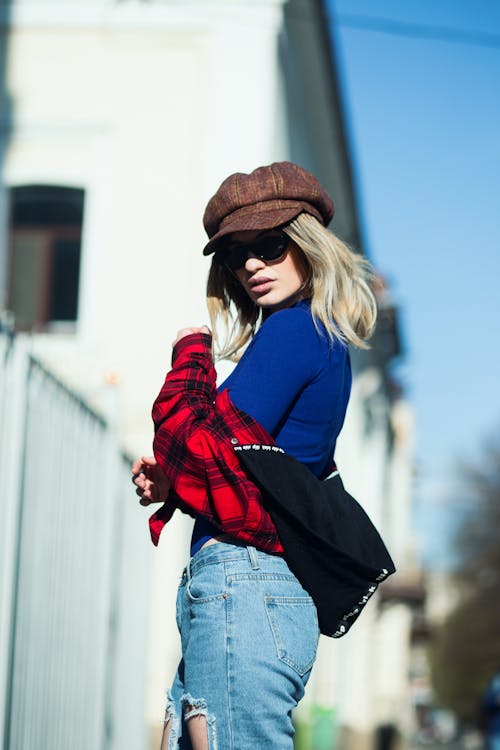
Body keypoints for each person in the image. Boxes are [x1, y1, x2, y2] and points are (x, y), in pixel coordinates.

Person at [132, 161, 379, 750]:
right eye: (235, 256)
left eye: (269, 247)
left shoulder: (296, 330)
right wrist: (174, 482)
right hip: (249, 586)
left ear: (307, 243)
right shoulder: (309, 335)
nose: (250, 267)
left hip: (246, 584)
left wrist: (191, 355)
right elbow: (250, 465)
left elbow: (195, 443)